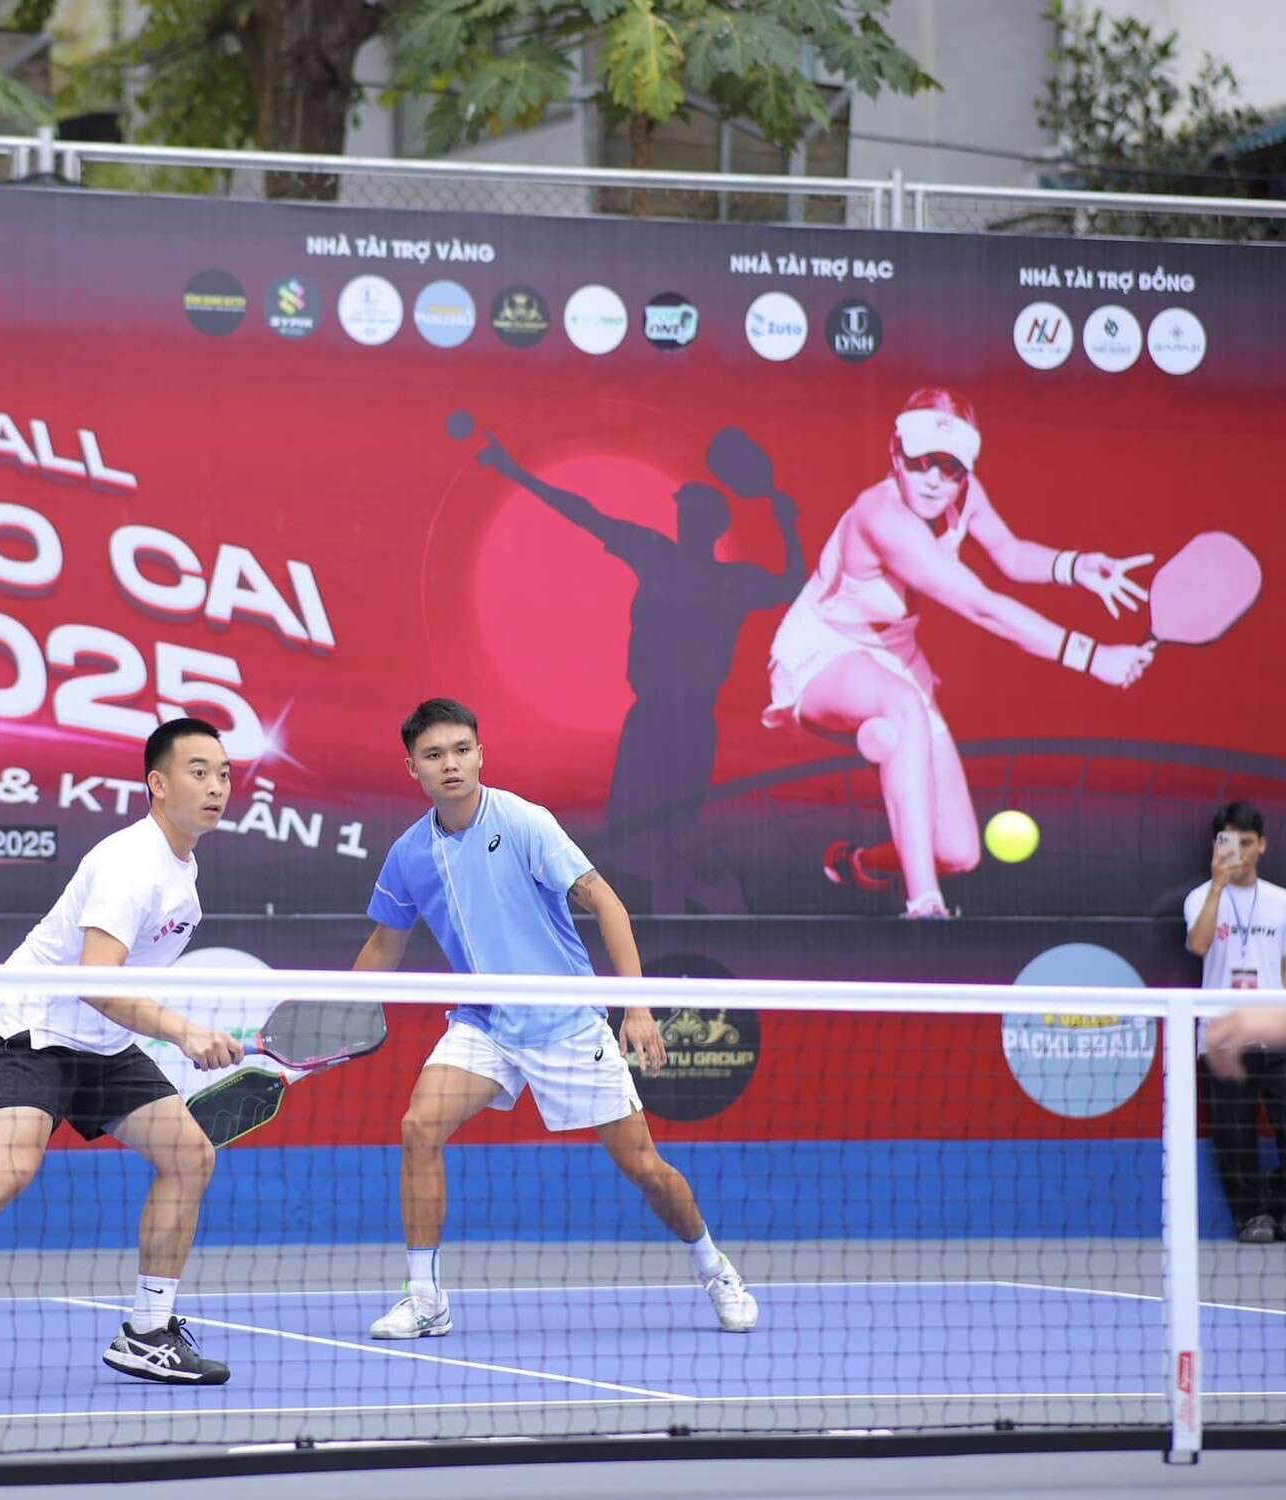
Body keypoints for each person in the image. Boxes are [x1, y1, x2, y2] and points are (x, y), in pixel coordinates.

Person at [351, 697, 759, 1338]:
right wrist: (333, 1008)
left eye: (462, 750)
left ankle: (714, 1268)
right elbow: (384, 944)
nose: (451, 764)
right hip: (485, 1023)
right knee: (418, 1127)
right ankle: (426, 1299)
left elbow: (606, 902)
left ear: (481, 753)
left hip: (564, 1023)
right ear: (413, 769)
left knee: (645, 1169)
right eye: (434, 755)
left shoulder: (522, 822)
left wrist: (637, 1007)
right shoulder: (410, 854)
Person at [0, 718, 242, 1389]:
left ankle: (148, 1332)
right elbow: (94, 979)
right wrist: (184, 1032)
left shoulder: (183, 866)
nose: (216, 786)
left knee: (189, 1157)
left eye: (223, 773)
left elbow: (111, 993)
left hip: (101, 1042)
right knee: (11, 1167)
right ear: (157, 784)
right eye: (198, 771)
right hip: (32, 1026)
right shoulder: (130, 865)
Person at [761, 388, 1156, 917]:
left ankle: (862, 861)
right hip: (826, 652)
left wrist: (1075, 564)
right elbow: (984, 608)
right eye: (922, 462)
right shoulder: (881, 516)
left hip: (896, 658)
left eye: (949, 468)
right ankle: (925, 907)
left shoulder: (963, 494)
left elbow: (1012, 555)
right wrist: (1092, 656)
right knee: (899, 705)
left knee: (959, 852)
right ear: (895, 455)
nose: (934, 480)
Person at [474, 427, 805, 913]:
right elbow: (584, 514)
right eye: (683, 512)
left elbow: (793, 586)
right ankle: (658, 919)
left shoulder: (730, 581)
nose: (685, 519)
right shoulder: (658, 555)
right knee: (634, 832)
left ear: (710, 525)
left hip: (692, 721)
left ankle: (687, 908)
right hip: (650, 716)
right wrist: (513, 470)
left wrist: (788, 525)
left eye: (693, 514)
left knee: (675, 831)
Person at [1185, 802, 1286, 1243]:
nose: (1240, 852)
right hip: (1222, 1037)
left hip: (1274, 1034)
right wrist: (1217, 887)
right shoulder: (1200, 897)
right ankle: (1252, 1217)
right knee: (1235, 1133)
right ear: (1217, 846)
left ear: (1261, 846)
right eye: (1230, 842)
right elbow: (1200, 945)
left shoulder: (1281, 901)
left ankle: (1281, 1210)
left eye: (1247, 843)